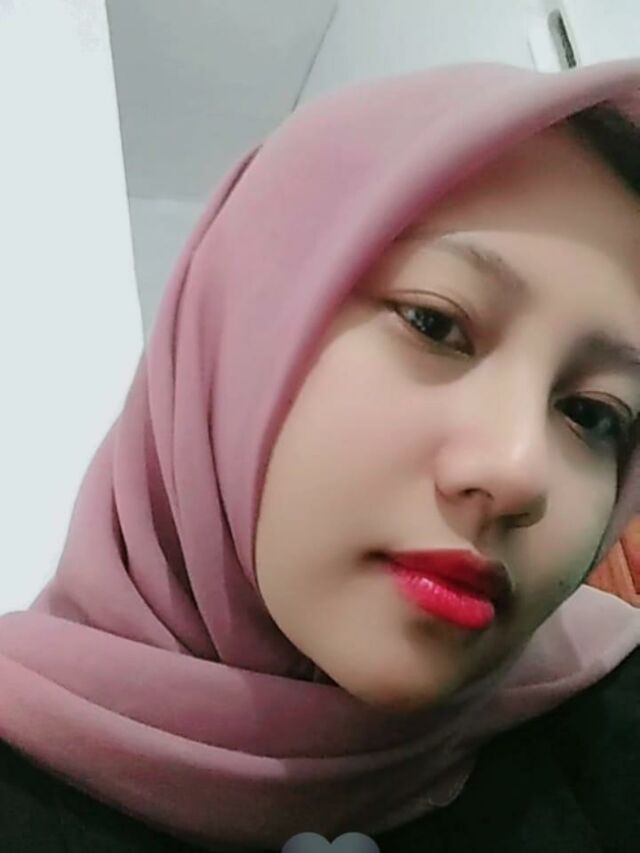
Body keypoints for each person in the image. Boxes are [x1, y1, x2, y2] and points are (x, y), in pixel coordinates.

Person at [0, 59, 639, 853]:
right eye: (435, 324)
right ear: (237, 339)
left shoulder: (605, 721)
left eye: (592, 414)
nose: (518, 470)